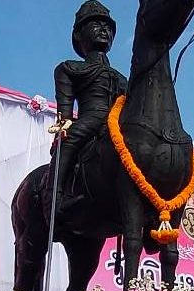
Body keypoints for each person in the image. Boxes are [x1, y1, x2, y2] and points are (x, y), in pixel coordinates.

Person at [49, 0, 128, 208]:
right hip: (90, 118)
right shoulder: (69, 68)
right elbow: (65, 112)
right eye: (95, 24)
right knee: (69, 140)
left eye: (108, 27)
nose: (103, 29)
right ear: (78, 34)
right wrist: (64, 129)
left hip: (117, 124)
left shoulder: (123, 79)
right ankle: (53, 198)